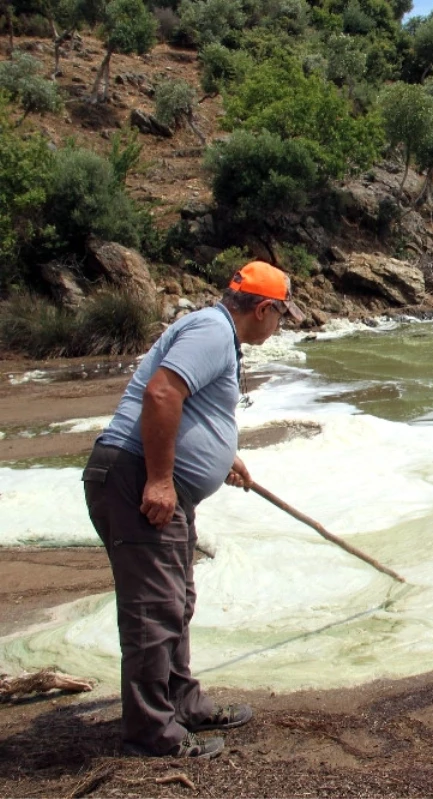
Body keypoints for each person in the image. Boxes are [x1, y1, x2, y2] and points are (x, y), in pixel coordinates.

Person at [82, 261, 303, 759]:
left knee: (175, 601)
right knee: (152, 611)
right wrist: (160, 478)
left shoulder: (217, 332)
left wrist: (225, 457)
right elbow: (162, 394)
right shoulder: (210, 330)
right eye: (282, 316)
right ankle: (151, 734)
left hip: (154, 481)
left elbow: (191, 407)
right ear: (264, 309)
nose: (280, 325)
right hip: (138, 479)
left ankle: (182, 704)